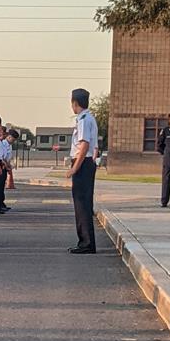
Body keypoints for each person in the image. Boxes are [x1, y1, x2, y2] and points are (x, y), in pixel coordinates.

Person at [68, 88, 99, 253]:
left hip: (83, 163)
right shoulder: (89, 118)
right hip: (87, 162)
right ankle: (84, 242)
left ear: (75, 103)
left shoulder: (83, 120)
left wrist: (74, 168)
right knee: (83, 204)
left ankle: (86, 243)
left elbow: (84, 145)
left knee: (82, 204)